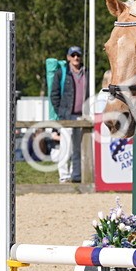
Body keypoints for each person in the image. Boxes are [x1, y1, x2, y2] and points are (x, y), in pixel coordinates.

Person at [49, 46, 89, 183]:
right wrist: (61, 110)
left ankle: (76, 175)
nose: (76, 58)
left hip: (82, 116)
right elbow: (54, 94)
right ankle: (64, 176)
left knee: (78, 148)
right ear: (68, 57)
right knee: (66, 148)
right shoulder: (62, 73)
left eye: (78, 55)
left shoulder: (87, 72)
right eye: (73, 55)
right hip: (66, 116)